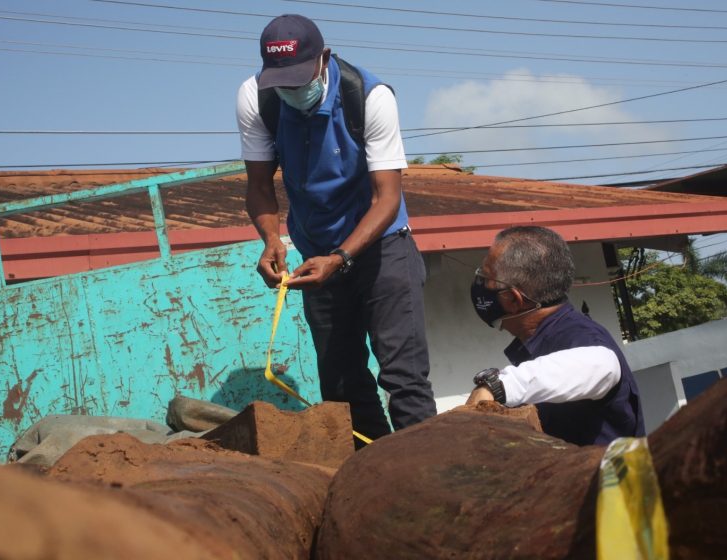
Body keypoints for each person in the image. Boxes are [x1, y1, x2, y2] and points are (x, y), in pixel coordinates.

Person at [236, 14, 436, 444]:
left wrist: (342, 257)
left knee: (404, 380)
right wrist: (272, 239)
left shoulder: (370, 96)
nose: (290, 90)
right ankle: (374, 478)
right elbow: (257, 188)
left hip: (383, 247)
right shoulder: (257, 98)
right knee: (342, 386)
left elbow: (388, 198)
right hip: (316, 253)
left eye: (299, 78)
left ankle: (430, 479)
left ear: (324, 59)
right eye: (281, 82)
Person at [466, 226, 645, 446]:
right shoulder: (539, 342)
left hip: (616, 479)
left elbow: (603, 365)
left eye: (485, 277)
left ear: (513, 299)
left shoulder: (583, 339)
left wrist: (497, 387)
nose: (479, 284)